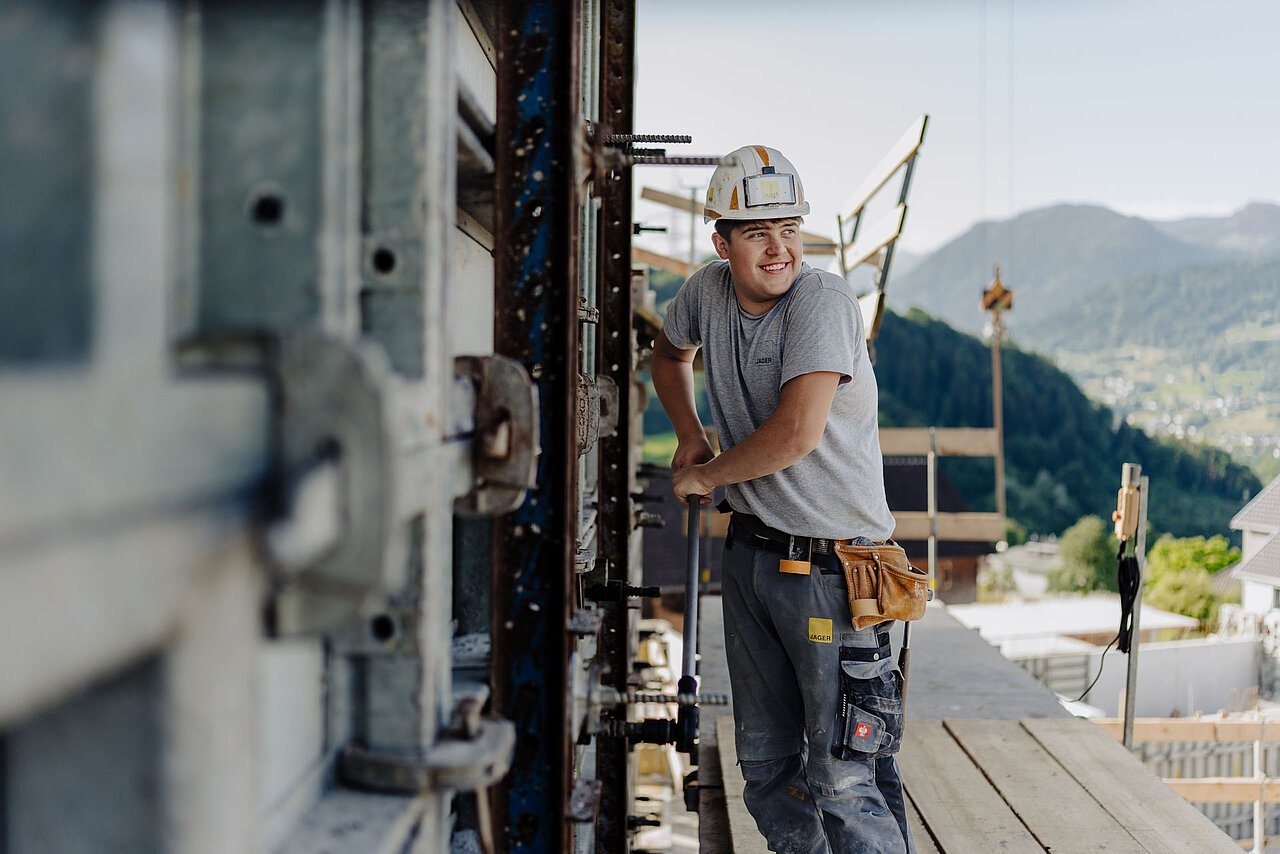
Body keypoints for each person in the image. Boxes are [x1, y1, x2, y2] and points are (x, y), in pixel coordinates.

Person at [651, 145, 914, 854]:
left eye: (790, 227)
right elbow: (667, 353)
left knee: (847, 780)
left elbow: (797, 433)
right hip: (754, 559)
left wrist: (707, 476)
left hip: (837, 574)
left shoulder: (822, 300)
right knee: (768, 772)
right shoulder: (706, 291)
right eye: (759, 231)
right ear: (722, 240)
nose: (780, 247)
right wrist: (688, 436)